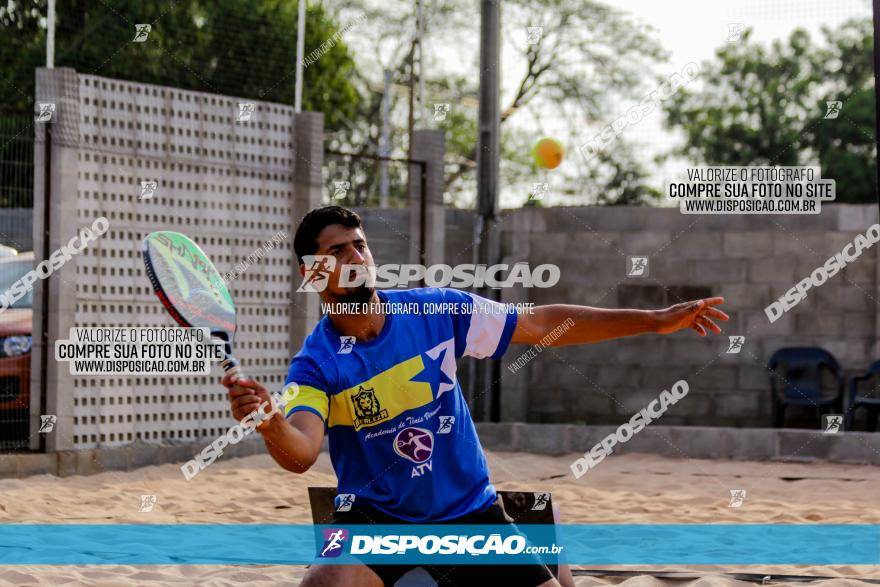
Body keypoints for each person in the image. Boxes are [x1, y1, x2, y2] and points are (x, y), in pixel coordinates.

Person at [224, 206, 728, 586]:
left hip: (468, 511)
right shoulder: (317, 363)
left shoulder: (436, 311)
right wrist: (271, 424)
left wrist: (656, 320)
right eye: (337, 252)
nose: (356, 256)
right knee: (321, 582)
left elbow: (540, 322)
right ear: (312, 272)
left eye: (360, 245)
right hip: (376, 517)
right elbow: (302, 453)